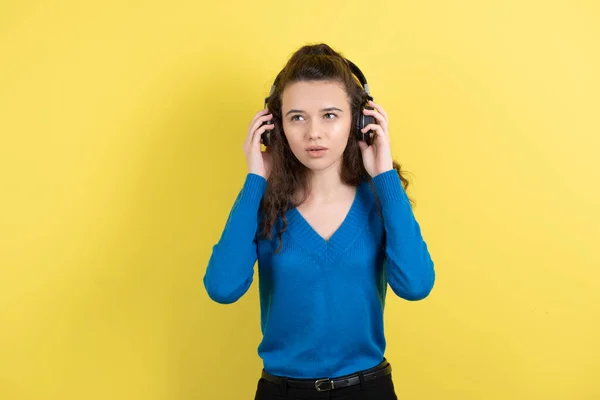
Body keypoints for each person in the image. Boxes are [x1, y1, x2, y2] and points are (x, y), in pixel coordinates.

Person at [203, 43, 436, 400]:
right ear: (275, 127)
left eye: (330, 115)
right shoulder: (264, 206)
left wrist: (385, 176)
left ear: (360, 121)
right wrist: (255, 180)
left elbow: (416, 285)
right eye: (297, 117)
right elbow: (222, 288)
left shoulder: (380, 201)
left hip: (367, 390)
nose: (314, 132)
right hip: (282, 392)